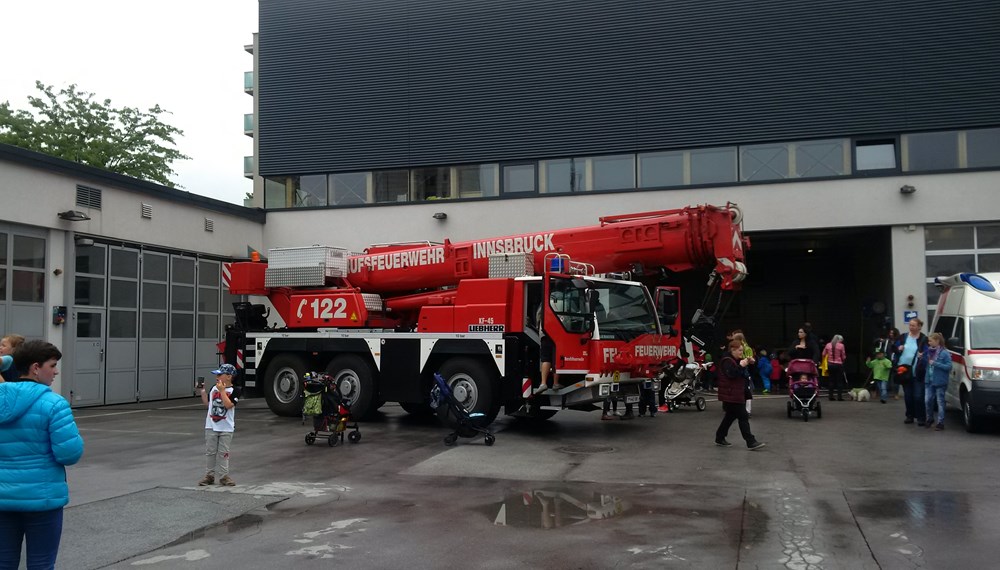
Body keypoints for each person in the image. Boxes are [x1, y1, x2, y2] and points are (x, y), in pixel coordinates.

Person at [0, 340, 84, 569]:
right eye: (52, 365)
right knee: (41, 563)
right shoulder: (54, 403)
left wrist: (7, 361)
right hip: (42, 499)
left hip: (2, 498)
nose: (56, 371)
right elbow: (69, 453)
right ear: (36, 368)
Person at [714, 340, 765, 450]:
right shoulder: (727, 361)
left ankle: (720, 436)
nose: (742, 353)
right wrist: (741, 366)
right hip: (732, 393)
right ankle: (750, 441)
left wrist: (751, 363)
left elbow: (747, 372)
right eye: (740, 350)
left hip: (735, 393)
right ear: (733, 350)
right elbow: (732, 374)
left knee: (730, 416)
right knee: (743, 416)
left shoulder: (736, 360)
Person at [199, 363, 240, 486]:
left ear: (229, 376)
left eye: (220, 374)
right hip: (211, 425)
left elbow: (228, 405)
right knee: (210, 451)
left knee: (224, 452)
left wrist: (222, 391)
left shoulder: (235, 391)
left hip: (226, 427)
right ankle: (209, 475)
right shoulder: (213, 388)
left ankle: (224, 476)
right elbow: (208, 404)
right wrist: (202, 391)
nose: (217, 377)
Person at [896, 318, 928, 425]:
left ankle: (921, 417)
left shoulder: (923, 339)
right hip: (904, 371)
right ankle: (909, 416)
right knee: (908, 396)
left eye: (914, 325)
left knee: (918, 396)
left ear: (919, 327)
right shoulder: (903, 337)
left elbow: (928, 352)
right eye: (910, 325)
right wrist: (898, 348)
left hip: (917, 372)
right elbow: (893, 348)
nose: (911, 327)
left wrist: (923, 356)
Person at [922, 332, 952, 431]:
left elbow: (949, 366)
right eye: (928, 341)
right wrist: (921, 358)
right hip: (929, 380)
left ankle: (940, 422)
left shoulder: (944, 353)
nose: (929, 343)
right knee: (927, 400)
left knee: (940, 402)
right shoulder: (928, 352)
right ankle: (930, 418)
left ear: (937, 341)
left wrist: (936, 363)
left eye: (930, 341)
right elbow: (924, 365)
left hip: (940, 381)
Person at [875, 327, 901, 399]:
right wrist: (879, 340)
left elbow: (899, 352)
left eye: (892, 333)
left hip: (895, 362)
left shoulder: (898, 341)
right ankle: (883, 393)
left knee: (895, 378)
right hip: (887, 361)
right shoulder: (887, 341)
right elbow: (876, 342)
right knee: (884, 378)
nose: (891, 334)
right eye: (890, 333)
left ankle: (896, 393)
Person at [823, 334, 847, 401]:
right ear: (839, 340)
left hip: (830, 364)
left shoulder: (828, 345)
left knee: (831, 380)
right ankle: (839, 397)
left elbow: (823, 354)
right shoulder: (841, 346)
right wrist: (842, 360)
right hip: (839, 365)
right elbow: (843, 356)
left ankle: (831, 396)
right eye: (841, 340)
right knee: (839, 381)